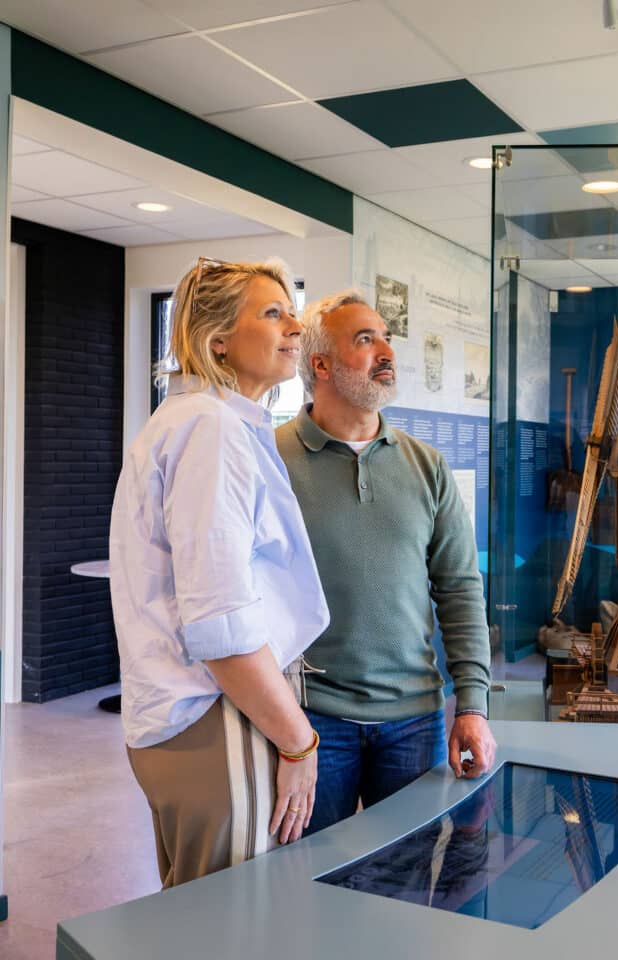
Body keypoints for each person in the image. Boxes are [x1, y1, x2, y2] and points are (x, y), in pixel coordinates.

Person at [109, 257, 329, 888]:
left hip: (191, 715)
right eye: (272, 313)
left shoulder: (199, 423)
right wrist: (299, 742)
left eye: (292, 310)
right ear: (217, 342)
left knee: (196, 921)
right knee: (236, 927)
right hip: (215, 715)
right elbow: (221, 626)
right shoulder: (211, 429)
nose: (295, 326)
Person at [275, 290, 496, 835]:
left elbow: (461, 588)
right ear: (321, 364)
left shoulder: (427, 466)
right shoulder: (270, 458)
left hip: (412, 719)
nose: (386, 351)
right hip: (310, 723)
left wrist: (472, 703)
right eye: (365, 339)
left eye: (386, 337)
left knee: (403, 885)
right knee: (306, 885)